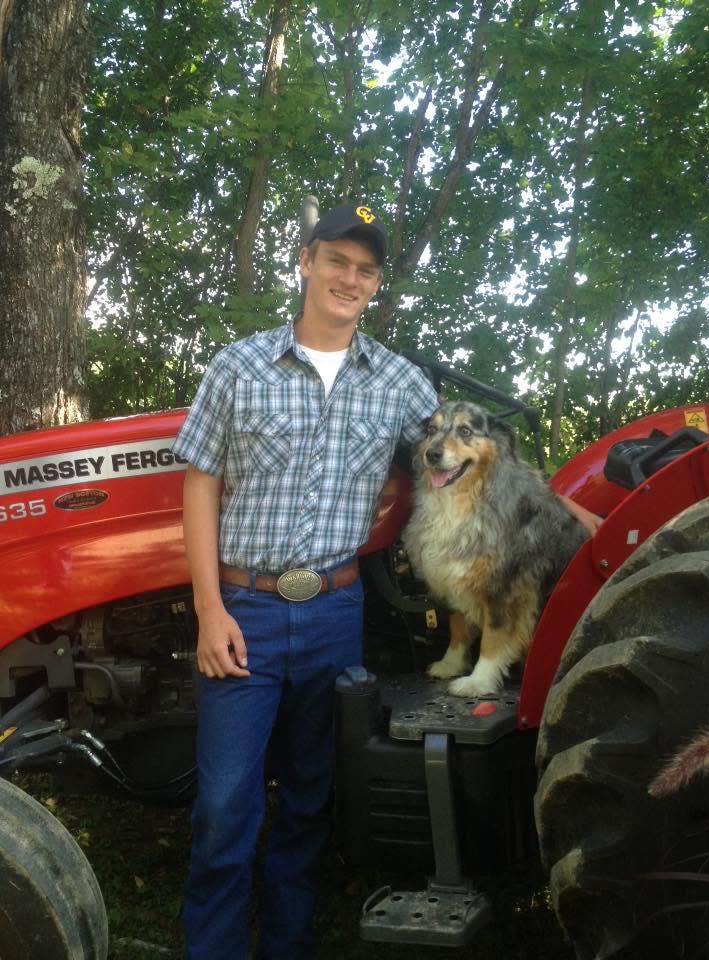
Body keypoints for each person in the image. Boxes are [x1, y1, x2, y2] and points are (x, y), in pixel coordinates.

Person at [173, 203, 440, 960]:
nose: (349, 278)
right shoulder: (239, 365)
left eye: (365, 270)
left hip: (334, 610)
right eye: (337, 261)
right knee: (225, 803)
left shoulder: (396, 381)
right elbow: (201, 484)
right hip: (245, 610)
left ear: (375, 284)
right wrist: (208, 610)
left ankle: (288, 943)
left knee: (309, 797)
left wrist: (565, 508)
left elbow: (464, 457)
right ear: (305, 262)